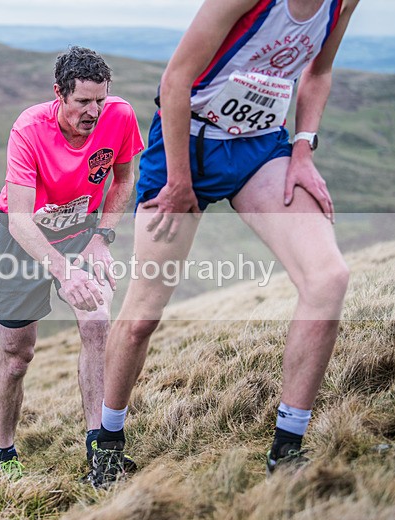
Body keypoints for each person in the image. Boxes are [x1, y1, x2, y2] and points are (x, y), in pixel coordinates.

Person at [89, 0, 360, 487]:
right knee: (143, 316)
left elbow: (318, 72)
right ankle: (106, 444)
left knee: (328, 278)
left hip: (260, 148)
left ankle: (287, 450)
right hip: (185, 144)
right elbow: (175, 81)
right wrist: (178, 181)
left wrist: (303, 148)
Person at [0, 46, 145, 478]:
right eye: (82, 102)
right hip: (24, 241)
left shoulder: (120, 116)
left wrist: (101, 237)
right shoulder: (29, 129)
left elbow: (125, 178)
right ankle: (5, 454)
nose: (94, 111)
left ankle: (101, 451)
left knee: (97, 326)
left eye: (101, 99)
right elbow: (19, 219)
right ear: (59, 93)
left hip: (82, 233)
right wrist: (62, 269)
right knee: (17, 356)